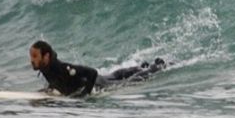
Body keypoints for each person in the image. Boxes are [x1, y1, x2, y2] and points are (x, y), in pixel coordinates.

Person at [28, 40, 166, 97]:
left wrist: (85, 95)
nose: (32, 60)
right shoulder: (46, 69)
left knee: (130, 81)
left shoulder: (63, 68)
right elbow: (59, 82)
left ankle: (155, 66)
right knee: (115, 74)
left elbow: (92, 73)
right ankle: (140, 66)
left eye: (35, 56)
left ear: (46, 56)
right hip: (101, 79)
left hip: (99, 84)